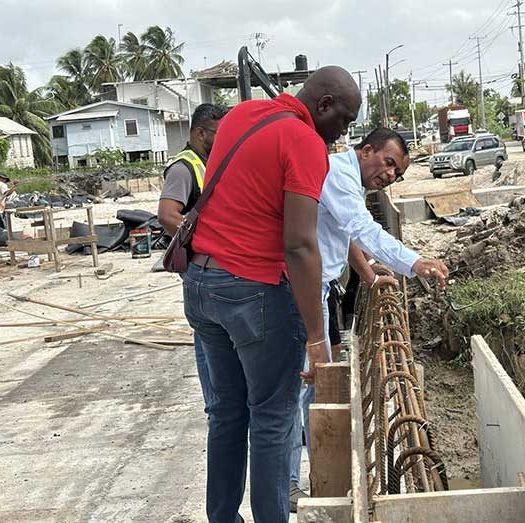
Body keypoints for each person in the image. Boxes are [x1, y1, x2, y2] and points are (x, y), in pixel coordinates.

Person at [182, 66, 361, 523]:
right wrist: (318, 339)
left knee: (226, 415)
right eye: (344, 121)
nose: (343, 134)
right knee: (272, 419)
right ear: (323, 105)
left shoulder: (242, 115)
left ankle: (223, 518)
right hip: (252, 293)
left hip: (202, 285)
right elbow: (300, 245)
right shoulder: (304, 143)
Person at [289, 127, 449, 510]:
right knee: (296, 392)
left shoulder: (347, 181)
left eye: (397, 173)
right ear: (366, 151)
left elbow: (344, 235)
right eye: (389, 163)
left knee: (314, 387)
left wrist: (368, 274)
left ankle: (313, 473)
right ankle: (289, 484)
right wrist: (415, 262)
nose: (390, 175)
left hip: (321, 290)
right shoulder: (338, 174)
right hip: (303, 291)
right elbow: (361, 228)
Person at [158, 103, 228, 416]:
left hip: (216, 264)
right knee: (208, 338)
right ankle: (215, 405)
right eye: (220, 132)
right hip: (200, 266)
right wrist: (206, 239)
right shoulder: (184, 168)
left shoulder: (209, 162)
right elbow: (168, 215)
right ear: (201, 133)